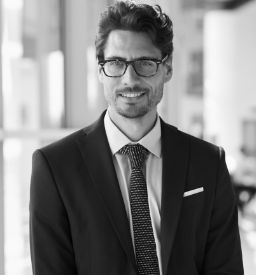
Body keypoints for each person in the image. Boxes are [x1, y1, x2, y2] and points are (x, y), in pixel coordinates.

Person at [29, 1, 244, 274]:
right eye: (116, 63)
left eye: (145, 63)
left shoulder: (208, 163)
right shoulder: (55, 167)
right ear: (99, 70)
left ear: (167, 69)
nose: (129, 79)